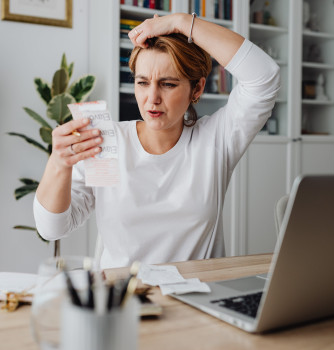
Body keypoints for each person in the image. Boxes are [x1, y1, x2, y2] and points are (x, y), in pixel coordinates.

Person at [33, 13, 280, 268]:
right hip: (123, 297)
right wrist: (59, 164)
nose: (152, 98)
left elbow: (264, 77)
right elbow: (52, 229)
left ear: (196, 89)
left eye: (168, 84)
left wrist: (182, 22)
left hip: (197, 295)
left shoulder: (215, 140)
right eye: (142, 82)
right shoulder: (107, 143)